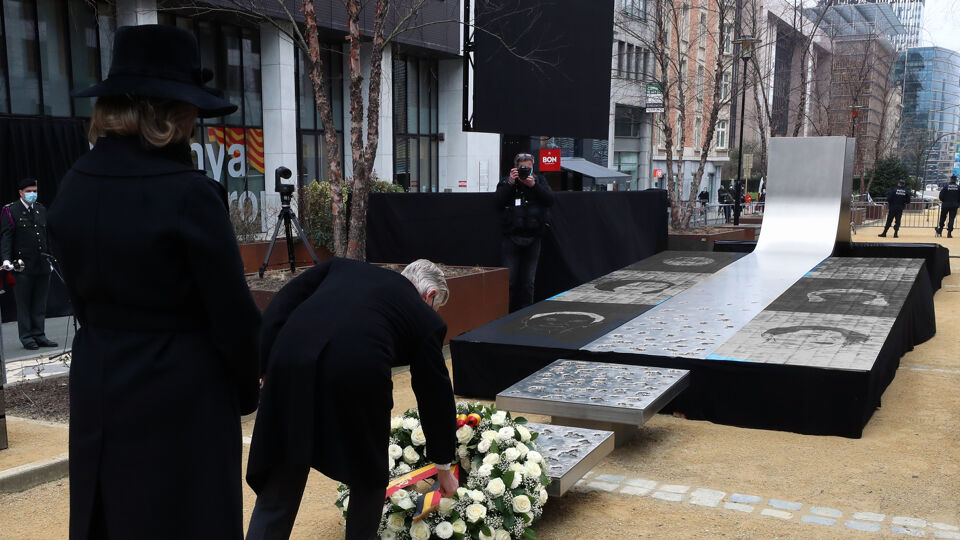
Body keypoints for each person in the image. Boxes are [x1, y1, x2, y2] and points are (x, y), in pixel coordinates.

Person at [47, 25, 261, 538]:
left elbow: (77, 292)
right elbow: (232, 317)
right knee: (183, 520)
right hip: (181, 396)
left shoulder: (75, 183)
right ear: (173, 113)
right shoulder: (189, 194)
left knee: (110, 517)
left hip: (99, 379)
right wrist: (246, 389)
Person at [246, 258, 457, 540]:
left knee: (283, 471)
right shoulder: (424, 316)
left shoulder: (342, 267)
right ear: (430, 296)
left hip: (291, 359)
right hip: (358, 372)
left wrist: (262, 363)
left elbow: (285, 299)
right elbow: (435, 395)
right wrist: (443, 467)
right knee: (368, 476)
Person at [0, 178, 57, 350]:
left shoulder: (41, 209)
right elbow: (6, 237)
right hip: (22, 265)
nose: (33, 193)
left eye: (35, 190)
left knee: (40, 303)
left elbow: (47, 238)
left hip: (42, 265)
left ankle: (39, 335)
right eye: (29, 191)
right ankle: (27, 337)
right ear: (21, 193)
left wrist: (52, 259)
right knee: (24, 303)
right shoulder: (11, 211)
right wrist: (5, 259)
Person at [496, 153, 555, 312]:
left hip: (533, 236)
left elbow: (550, 199)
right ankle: (505, 313)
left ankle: (525, 313)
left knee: (528, 281)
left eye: (528, 169)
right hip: (511, 236)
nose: (525, 172)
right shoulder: (506, 181)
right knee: (510, 281)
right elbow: (498, 201)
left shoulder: (539, 181)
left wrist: (533, 185)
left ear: (533, 168)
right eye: (521, 168)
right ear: (515, 168)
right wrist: (510, 182)